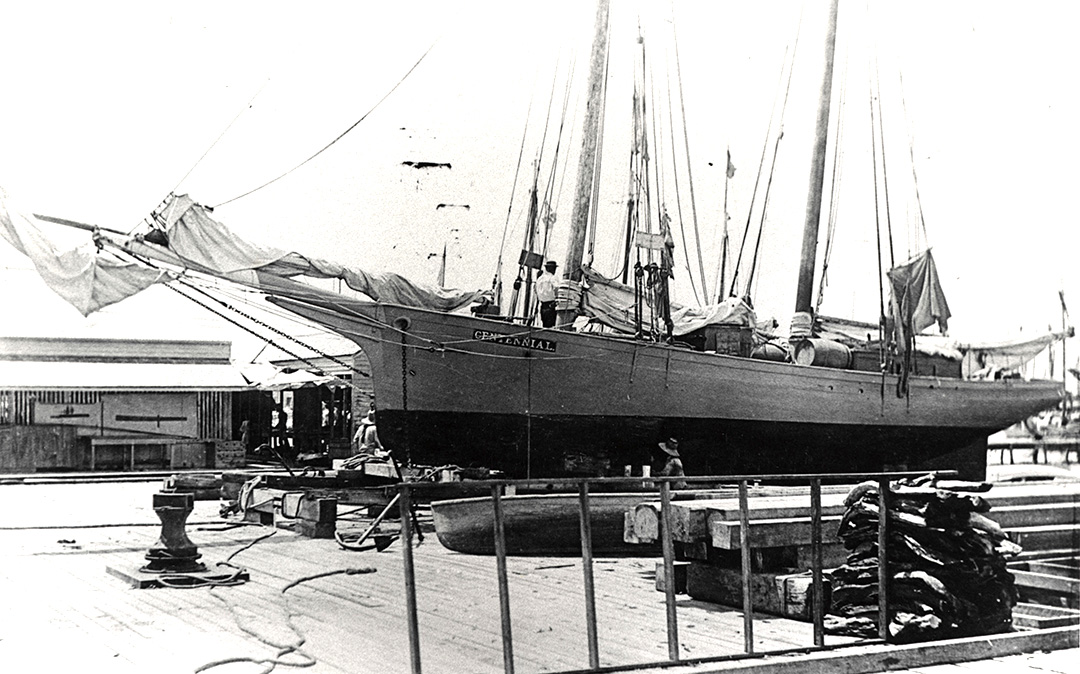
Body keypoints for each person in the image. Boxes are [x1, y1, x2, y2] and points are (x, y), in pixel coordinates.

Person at [535, 260, 558, 328]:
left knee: (546, 326)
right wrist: (558, 298)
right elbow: (557, 288)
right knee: (553, 327)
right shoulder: (552, 278)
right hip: (551, 307)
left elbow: (535, 290)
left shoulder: (539, 279)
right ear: (552, 269)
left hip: (543, 307)